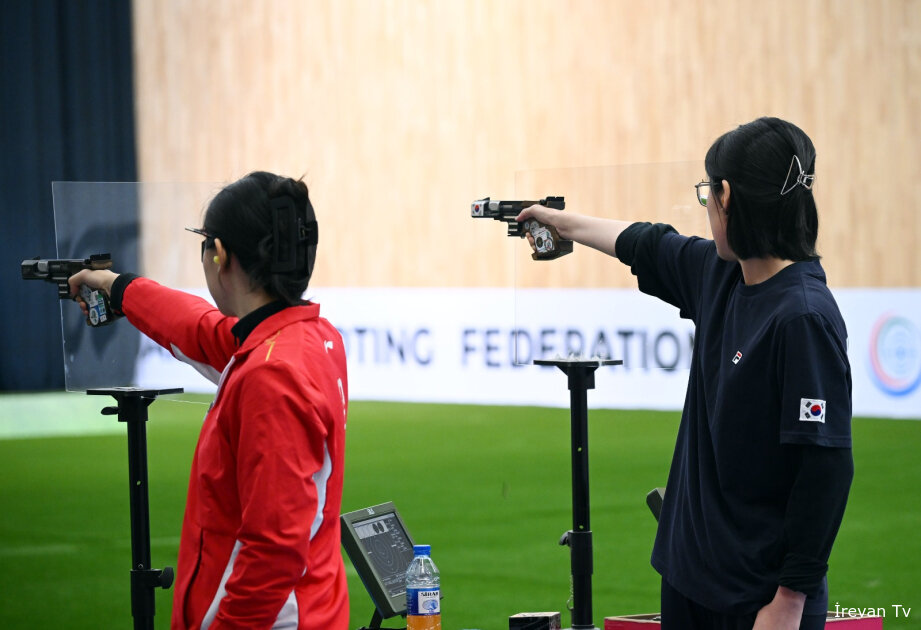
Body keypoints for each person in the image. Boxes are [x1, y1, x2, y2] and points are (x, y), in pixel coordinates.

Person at [517, 117, 853, 630]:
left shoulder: (802, 317)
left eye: (707, 196)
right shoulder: (721, 274)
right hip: (690, 580)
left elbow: (826, 471)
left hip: (759, 601)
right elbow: (645, 243)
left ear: (727, 197)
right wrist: (563, 223)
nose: (707, 210)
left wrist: (789, 601)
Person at [69, 172, 349, 630]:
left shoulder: (271, 373)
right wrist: (121, 289)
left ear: (219, 253)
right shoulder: (305, 340)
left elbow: (274, 551)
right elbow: (199, 328)